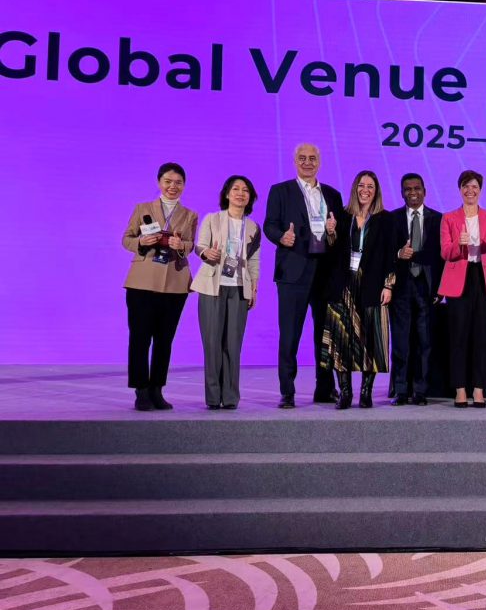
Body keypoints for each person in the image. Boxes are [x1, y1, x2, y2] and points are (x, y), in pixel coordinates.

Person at [263, 143, 345, 409]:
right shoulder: (280, 191)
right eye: (302, 158)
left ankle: (325, 388)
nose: (307, 162)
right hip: (293, 272)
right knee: (290, 334)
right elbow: (269, 225)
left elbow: (339, 236)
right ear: (295, 161)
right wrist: (280, 237)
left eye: (312, 158)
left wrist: (333, 231)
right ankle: (287, 391)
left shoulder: (332, 194)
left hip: (325, 272)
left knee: (325, 335)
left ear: (319, 162)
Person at [121, 162, 198, 411]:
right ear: (159, 183)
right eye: (168, 181)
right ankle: (141, 390)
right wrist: (142, 241)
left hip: (175, 284)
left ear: (184, 185)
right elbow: (126, 239)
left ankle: (157, 389)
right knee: (140, 338)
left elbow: (191, 245)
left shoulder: (190, 215)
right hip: (142, 282)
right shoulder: (142, 208)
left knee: (165, 340)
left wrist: (181, 246)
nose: (172, 186)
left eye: (178, 182)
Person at [322, 171, 396, 409]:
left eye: (370, 186)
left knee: (370, 340)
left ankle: (366, 392)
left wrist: (388, 285)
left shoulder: (385, 219)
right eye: (361, 185)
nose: (365, 190)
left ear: (376, 191)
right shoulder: (343, 216)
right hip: (343, 284)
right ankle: (345, 392)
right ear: (355, 188)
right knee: (340, 339)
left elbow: (390, 255)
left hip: (371, 284)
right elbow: (331, 251)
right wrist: (331, 232)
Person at [191, 175, 262, 410]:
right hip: (213, 287)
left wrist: (253, 287)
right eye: (236, 189)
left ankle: (230, 397)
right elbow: (200, 246)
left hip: (239, 288)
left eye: (245, 190)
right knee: (212, 344)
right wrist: (206, 254)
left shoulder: (253, 227)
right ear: (227, 194)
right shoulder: (212, 219)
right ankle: (213, 397)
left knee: (233, 344)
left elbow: (254, 260)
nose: (240, 193)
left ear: (250, 197)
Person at [438, 170, 486, 408]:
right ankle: (460, 389)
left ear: (480, 190)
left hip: (483, 279)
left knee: (482, 337)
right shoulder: (449, 218)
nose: (470, 191)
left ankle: (478, 388)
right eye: (466, 186)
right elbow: (445, 252)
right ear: (460, 190)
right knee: (458, 337)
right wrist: (459, 244)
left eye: (474, 186)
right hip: (459, 281)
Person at [389, 174, 443, 406]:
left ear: (424, 191)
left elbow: (441, 257)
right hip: (401, 287)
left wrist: (440, 288)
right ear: (402, 193)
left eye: (417, 188)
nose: (413, 192)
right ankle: (401, 390)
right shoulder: (392, 219)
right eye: (408, 189)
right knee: (400, 341)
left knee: (424, 342)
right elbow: (384, 252)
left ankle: (420, 391)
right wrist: (398, 254)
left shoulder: (438, 219)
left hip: (427, 287)